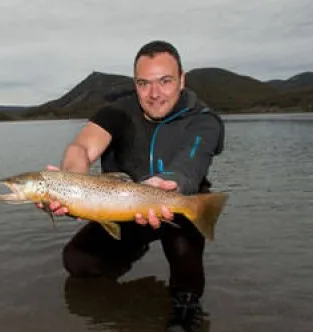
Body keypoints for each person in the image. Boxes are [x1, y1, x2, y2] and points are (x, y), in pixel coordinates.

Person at [36, 40, 224, 332]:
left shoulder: (204, 121)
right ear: (135, 84)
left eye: (165, 81)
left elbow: (191, 162)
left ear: (182, 80)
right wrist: (69, 183)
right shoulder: (117, 112)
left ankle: (186, 307)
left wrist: (169, 184)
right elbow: (82, 147)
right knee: (76, 261)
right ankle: (129, 296)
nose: (154, 93)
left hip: (178, 205)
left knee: (185, 261)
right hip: (122, 207)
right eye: (143, 83)